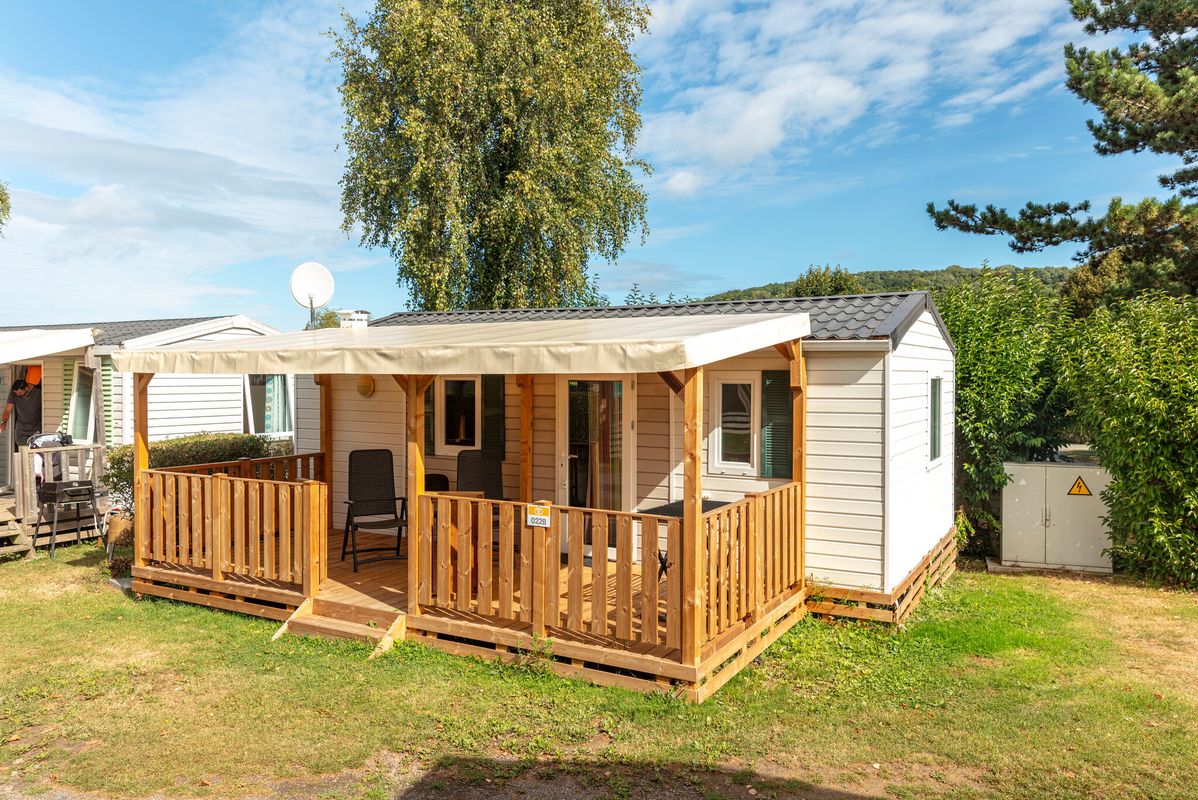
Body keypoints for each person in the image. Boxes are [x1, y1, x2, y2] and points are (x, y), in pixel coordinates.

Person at [1, 378, 42, 451]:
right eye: (16, 393)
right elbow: (8, 409)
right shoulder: (14, 393)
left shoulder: (38, 392)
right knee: (23, 451)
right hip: (21, 429)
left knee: (36, 452)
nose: (17, 395)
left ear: (27, 388)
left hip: (36, 428)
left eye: (19, 393)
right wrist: (3, 422)